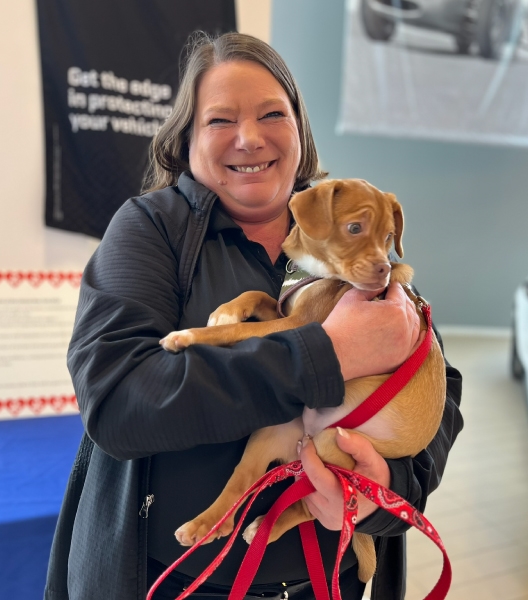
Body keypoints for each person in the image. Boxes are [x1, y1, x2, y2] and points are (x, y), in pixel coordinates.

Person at [44, 31, 463, 600]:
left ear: (299, 128)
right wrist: (324, 356)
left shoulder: (346, 221)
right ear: (186, 138)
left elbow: (438, 386)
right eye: (220, 121)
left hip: (328, 583)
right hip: (175, 584)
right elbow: (118, 402)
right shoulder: (149, 230)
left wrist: (391, 489)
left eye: (272, 113)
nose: (249, 137)